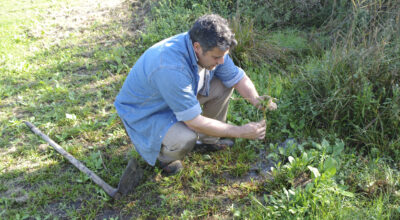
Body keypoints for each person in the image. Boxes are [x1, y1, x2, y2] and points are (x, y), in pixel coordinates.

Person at [114, 14, 277, 176]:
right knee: (185, 137)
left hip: (172, 96)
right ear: (197, 47)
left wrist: (256, 99)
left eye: (224, 56)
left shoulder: (211, 47)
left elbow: (237, 78)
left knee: (222, 85)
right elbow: (194, 122)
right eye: (216, 57)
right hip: (146, 111)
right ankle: (164, 158)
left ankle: (207, 141)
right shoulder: (171, 67)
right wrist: (239, 131)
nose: (221, 61)